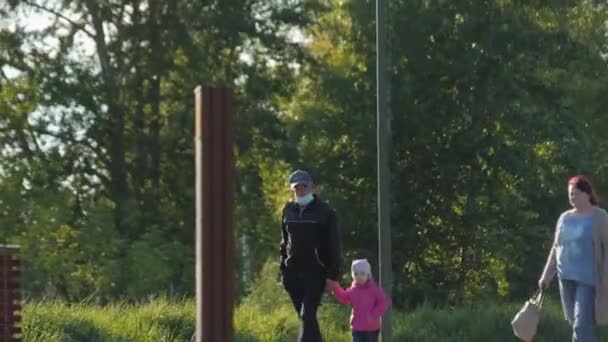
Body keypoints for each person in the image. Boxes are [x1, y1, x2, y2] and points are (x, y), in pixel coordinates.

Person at [538, 175, 608, 342]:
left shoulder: (600, 217)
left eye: (576, 194)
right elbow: (556, 248)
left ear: (587, 194)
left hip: (588, 279)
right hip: (566, 278)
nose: (572, 198)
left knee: (581, 325)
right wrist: (546, 276)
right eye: (570, 194)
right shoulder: (565, 218)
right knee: (576, 322)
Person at [280, 169, 342, 342]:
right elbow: (284, 243)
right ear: (293, 190)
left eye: (304, 187)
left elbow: (334, 245)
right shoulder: (288, 210)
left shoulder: (325, 211)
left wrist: (333, 276)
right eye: (297, 188)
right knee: (307, 319)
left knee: (307, 315)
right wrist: (283, 271)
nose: (301, 191)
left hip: (316, 272)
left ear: (312, 188)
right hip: (292, 274)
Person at [328, 259, 389, 342]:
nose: (359, 277)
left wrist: (373, 314)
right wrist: (335, 288)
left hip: (371, 328)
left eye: (362, 273)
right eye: (356, 274)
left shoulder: (374, 289)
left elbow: (383, 302)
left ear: (368, 274)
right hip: (357, 327)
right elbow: (344, 297)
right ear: (353, 275)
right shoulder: (353, 290)